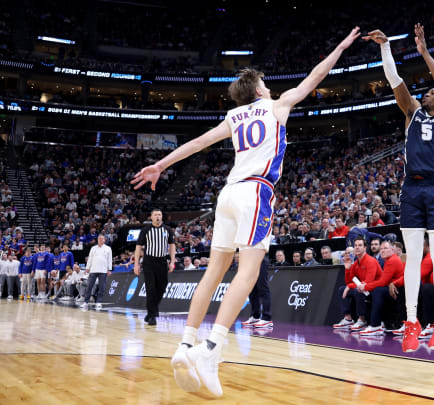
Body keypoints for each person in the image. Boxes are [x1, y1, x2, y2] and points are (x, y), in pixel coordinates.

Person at [132, 26, 361, 398]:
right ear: (258, 90)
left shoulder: (233, 118)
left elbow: (198, 143)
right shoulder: (276, 105)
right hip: (257, 191)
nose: (269, 88)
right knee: (250, 270)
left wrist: (161, 164)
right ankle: (212, 350)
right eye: (266, 84)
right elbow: (316, 75)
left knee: (215, 271)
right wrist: (341, 46)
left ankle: (186, 344)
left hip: (227, 194)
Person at [364, 24, 434, 352]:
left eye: (432, 92)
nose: (429, 92)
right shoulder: (412, 114)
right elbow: (395, 81)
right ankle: (411, 321)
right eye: (427, 91)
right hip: (411, 189)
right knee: (413, 258)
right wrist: (386, 47)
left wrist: (424, 53)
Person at [133, 209, 176, 325]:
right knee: (151, 288)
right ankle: (152, 315)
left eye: (160, 215)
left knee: (162, 286)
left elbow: (172, 246)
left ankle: (150, 312)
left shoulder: (167, 230)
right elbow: (138, 247)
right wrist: (136, 264)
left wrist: (172, 261)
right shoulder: (145, 230)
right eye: (155, 215)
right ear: (151, 217)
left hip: (162, 261)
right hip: (149, 262)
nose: (158, 216)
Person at [333, 238, 382, 331]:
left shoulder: (370, 261)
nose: (357, 248)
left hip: (376, 289)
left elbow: (368, 281)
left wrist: (350, 286)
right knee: (342, 289)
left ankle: (362, 320)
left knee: (358, 290)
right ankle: (348, 319)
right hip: (364, 287)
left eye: (360, 245)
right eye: (355, 245)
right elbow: (349, 282)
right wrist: (347, 268)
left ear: (365, 248)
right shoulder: (355, 263)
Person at [359, 241, 406, 335]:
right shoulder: (389, 260)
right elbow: (383, 280)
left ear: (392, 250)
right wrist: (366, 285)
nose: (382, 251)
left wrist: (366, 286)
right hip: (395, 289)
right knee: (375, 291)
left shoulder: (392, 260)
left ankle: (375, 325)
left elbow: (383, 282)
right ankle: (380, 323)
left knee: (378, 291)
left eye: (385, 248)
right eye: (381, 249)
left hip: (399, 291)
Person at [81, 235, 113, 310]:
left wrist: (109, 269)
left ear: (104, 240)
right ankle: (85, 302)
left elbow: (110, 259)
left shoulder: (108, 248)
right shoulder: (93, 248)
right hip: (93, 270)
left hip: (103, 270)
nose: (100, 240)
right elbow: (90, 258)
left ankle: (98, 302)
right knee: (89, 286)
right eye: (99, 239)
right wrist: (87, 268)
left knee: (101, 287)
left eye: (102, 239)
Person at [241, 256, 273, 329]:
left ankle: (267, 319)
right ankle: (255, 316)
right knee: (252, 290)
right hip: (250, 261)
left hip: (260, 259)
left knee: (263, 289)